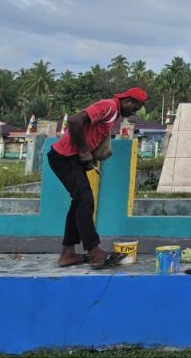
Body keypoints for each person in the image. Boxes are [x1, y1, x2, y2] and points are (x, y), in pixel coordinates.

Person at [49, 87, 147, 269]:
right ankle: (94, 251)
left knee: (79, 201)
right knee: (84, 198)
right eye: (134, 108)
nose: (133, 113)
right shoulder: (109, 106)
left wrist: (89, 156)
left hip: (72, 158)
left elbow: (90, 132)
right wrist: (84, 151)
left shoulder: (114, 114)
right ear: (128, 101)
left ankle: (68, 254)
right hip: (64, 157)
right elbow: (74, 120)